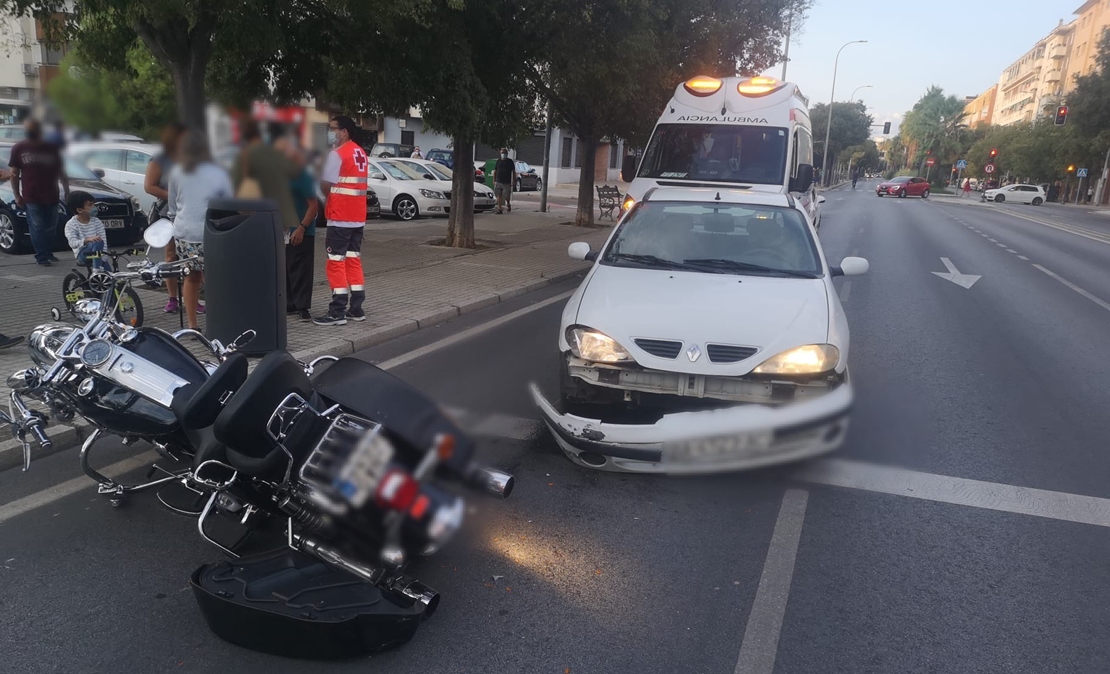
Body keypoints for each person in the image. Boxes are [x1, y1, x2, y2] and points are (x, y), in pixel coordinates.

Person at [167, 130, 233, 330]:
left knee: (191, 277)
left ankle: (192, 324)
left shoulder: (176, 171)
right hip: (210, 230)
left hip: (184, 231)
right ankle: (219, 321)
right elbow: (228, 201)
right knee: (217, 278)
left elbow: (172, 206)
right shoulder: (218, 172)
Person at [314, 115, 369, 326]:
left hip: (340, 216)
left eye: (333, 128)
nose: (331, 132)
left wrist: (331, 199)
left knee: (336, 262)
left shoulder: (337, 154)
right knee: (353, 260)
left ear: (344, 131)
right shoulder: (361, 153)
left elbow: (325, 185)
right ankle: (356, 308)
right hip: (357, 217)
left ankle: (337, 311)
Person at [9, 118, 68, 266]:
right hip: (31, 195)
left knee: (51, 227)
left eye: (33, 128)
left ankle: (48, 252)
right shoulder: (19, 148)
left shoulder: (51, 148)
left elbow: (61, 170)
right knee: (37, 227)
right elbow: (14, 174)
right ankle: (41, 257)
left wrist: (67, 190)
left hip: (52, 194)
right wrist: (17, 195)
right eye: (28, 128)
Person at [145, 122, 187, 313]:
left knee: (191, 257)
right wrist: (172, 195)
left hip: (190, 213)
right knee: (171, 256)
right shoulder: (160, 159)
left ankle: (192, 296)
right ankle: (172, 298)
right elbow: (149, 186)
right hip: (168, 212)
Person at [277, 133, 319, 322]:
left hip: (302, 229)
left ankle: (303, 307)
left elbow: (313, 205)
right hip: (285, 228)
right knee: (286, 268)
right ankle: (289, 304)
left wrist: (302, 227)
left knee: (301, 269)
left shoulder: (302, 175)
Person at [64, 191, 111, 271]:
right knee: (96, 242)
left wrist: (103, 259)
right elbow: (72, 243)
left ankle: (99, 269)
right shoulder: (71, 224)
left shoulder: (97, 222)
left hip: (99, 255)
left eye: (93, 204)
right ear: (79, 210)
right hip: (83, 254)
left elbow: (104, 243)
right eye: (90, 205)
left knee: (110, 278)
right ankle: (96, 270)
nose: (94, 207)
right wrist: (86, 240)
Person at [494, 148, 516, 214]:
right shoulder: (498, 161)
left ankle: (508, 203)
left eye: (504, 153)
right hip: (498, 181)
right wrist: (494, 179)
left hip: (507, 182)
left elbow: (513, 172)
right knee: (499, 195)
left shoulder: (510, 162)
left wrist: (514, 180)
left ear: (506, 154)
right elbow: (495, 170)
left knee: (506, 196)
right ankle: (500, 209)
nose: (503, 154)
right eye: (502, 153)